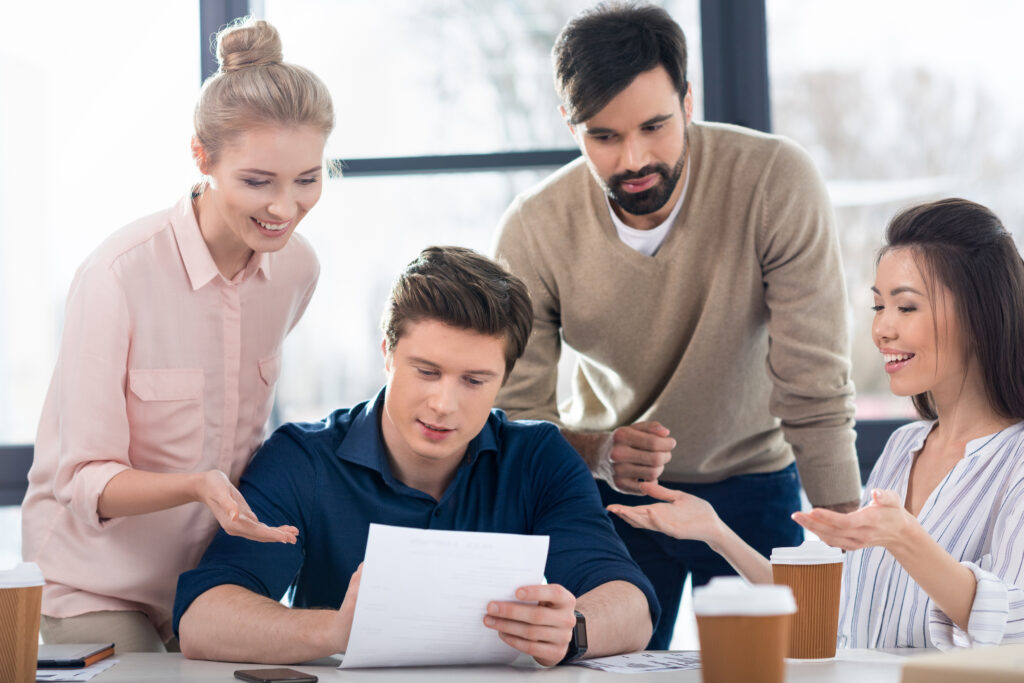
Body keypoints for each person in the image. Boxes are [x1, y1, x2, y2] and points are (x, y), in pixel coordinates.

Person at [492, 1, 860, 648]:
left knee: (799, 659)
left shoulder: (775, 181)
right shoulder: (534, 228)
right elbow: (517, 416)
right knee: (591, 662)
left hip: (755, 483)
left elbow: (815, 388)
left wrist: (854, 552)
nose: (634, 159)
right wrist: (598, 451)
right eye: (603, 136)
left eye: (655, 126)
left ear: (688, 100)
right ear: (570, 126)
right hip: (611, 496)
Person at [173, 246, 658, 666]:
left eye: (474, 380)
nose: (444, 405)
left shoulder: (538, 458)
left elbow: (632, 607)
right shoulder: (303, 458)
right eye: (426, 371)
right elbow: (202, 618)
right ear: (387, 353)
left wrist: (571, 631)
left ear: (504, 379)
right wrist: (335, 632)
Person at [21, 18, 335, 652]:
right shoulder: (116, 276)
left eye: (307, 179)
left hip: (210, 589)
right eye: (257, 182)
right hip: (91, 590)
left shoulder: (296, 270)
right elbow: (82, 482)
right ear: (202, 157)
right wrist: (196, 484)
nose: (284, 209)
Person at [609, 198, 1024, 649]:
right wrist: (715, 532)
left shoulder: (1016, 461)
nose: (882, 329)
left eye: (905, 308)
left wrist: (904, 536)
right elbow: (833, 606)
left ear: (980, 315)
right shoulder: (905, 447)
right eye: (878, 307)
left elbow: (1011, 627)